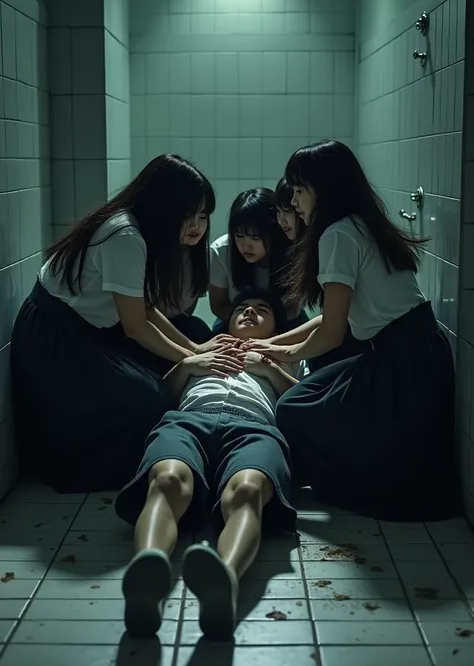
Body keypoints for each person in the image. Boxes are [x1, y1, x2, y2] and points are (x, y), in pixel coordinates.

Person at [245, 140, 461, 522]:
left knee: (293, 410)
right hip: (416, 352)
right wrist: (276, 344)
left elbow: (330, 334)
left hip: (403, 365)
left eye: (298, 190)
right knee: (308, 393)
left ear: (322, 189)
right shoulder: (361, 224)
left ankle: (350, 485)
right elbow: (333, 319)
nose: (293, 202)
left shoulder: (338, 236)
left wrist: (281, 355)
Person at [11, 154, 231, 494]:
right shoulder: (125, 235)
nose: (197, 227)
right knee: (148, 395)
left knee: (188, 340)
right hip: (55, 337)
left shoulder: (138, 230)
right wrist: (188, 359)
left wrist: (194, 349)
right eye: (188, 215)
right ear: (164, 206)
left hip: (85, 328)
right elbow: (135, 326)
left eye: (203, 216)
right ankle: (123, 472)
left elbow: (144, 307)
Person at [115, 289, 307, 641]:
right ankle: (147, 575)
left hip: (254, 427)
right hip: (189, 420)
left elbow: (304, 402)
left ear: (277, 326)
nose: (249, 312)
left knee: (248, 490)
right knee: (168, 480)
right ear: (228, 321)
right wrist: (187, 364)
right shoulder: (201, 349)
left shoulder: (290, 357)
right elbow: (160, 397)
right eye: (242, 309)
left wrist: (269, 367)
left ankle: (226, 582)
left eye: (261, 310)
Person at [209, 187, 306, 334]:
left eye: (255, 238)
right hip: (237, 319)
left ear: (274, 233)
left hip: (287, 319)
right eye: (239, 236)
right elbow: (218, 305)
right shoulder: (222, 250)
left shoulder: (293, 251)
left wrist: (269, 329)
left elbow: (294, 308)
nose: (245, 246)